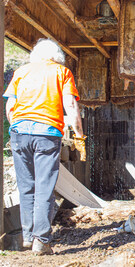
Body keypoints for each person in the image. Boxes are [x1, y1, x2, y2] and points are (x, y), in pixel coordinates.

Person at [3, 39, 86, 255]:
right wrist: (79, 135)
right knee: (45, 186)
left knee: (26, 185)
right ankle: (41, 240)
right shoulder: (62, 72)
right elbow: (69, 104)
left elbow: (10, 106)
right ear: (57, 56)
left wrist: (18, 128)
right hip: (46, 135)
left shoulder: (21, 71)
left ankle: (28, 237)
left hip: (19, 132)